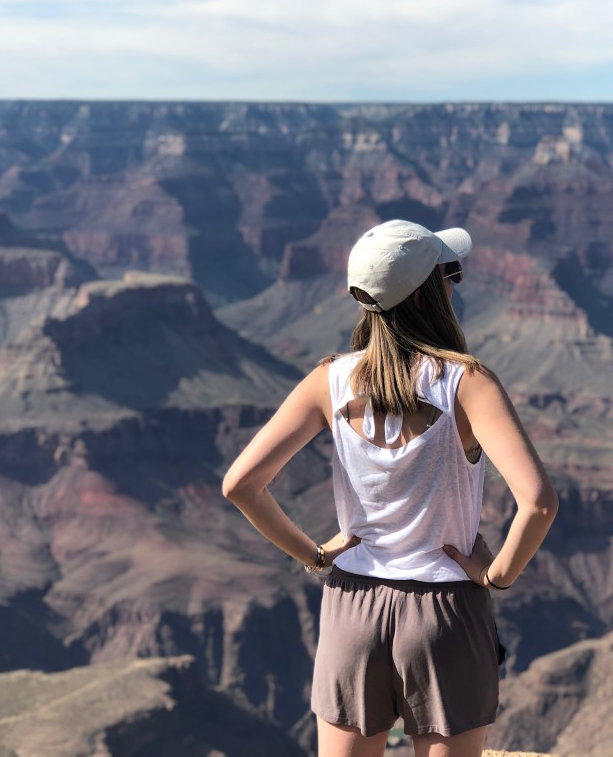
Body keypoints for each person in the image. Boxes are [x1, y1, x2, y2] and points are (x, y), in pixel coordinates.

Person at [222, 219, 558, 757]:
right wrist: (495, 578)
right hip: (445, 609)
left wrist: (313, 554)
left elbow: (240, 484)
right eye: (450, 273)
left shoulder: (327, 380)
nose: (455, 283)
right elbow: (539, 504)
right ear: (429, 295)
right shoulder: (466, 382)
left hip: (351, 606)